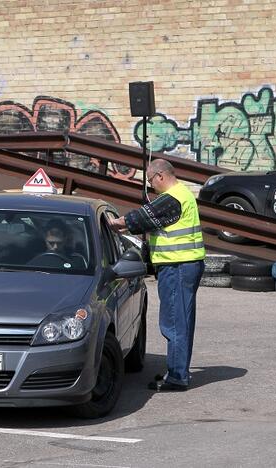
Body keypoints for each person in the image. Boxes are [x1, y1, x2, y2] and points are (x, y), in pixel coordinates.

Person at [108, 159, 205, 392]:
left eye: (151, 182)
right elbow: (148, 222)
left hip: (178, 266)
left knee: (174, 321)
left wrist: (112, 223)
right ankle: (176, 369)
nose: (151, 187)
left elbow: (140, 218)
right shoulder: (182, 195)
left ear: (160, 176)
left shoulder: (172, 199)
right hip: (182, 265)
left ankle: (178, 377)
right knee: (180, 319)